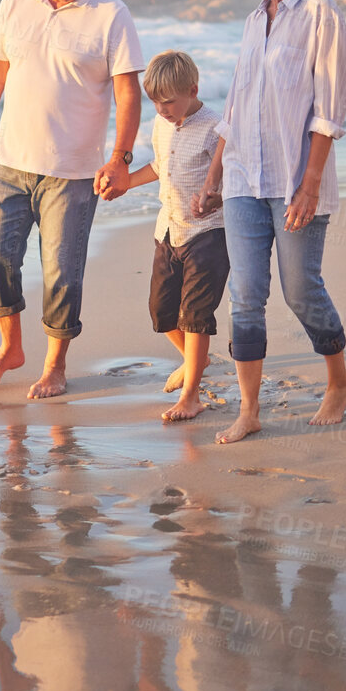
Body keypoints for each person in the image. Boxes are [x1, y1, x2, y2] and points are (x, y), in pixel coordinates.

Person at [0, 0, 145, 399]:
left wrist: (121, 158)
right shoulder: (16, 0)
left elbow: (128, 94)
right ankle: (11, 348)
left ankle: (55, 366)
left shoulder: (111, 14)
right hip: (12, 165)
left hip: (75, 172)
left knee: (63, 272)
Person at [194, 0, 346, 444]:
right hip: (242, 181)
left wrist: (309, 185)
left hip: (292, 183)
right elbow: (236, 107)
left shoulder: (319, 15)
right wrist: (215, 175)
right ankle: (250, 409)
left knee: (301, 290)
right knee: (245, 294)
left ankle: (338, 382)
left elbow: (328, 111)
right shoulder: (251, 22)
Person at [123, 50, 229, 423]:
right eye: (155, 102)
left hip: (207, 234)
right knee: (162, 312)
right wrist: (126, 183)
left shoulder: (216, 127)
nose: (162, 109)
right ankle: (194, 361)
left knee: (195, 316)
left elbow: (231, 176)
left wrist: (215, 195)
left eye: (168, 101)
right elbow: (158, 166)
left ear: (193, 89)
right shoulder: (160, 123)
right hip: (167, 231)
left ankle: (191, 395)